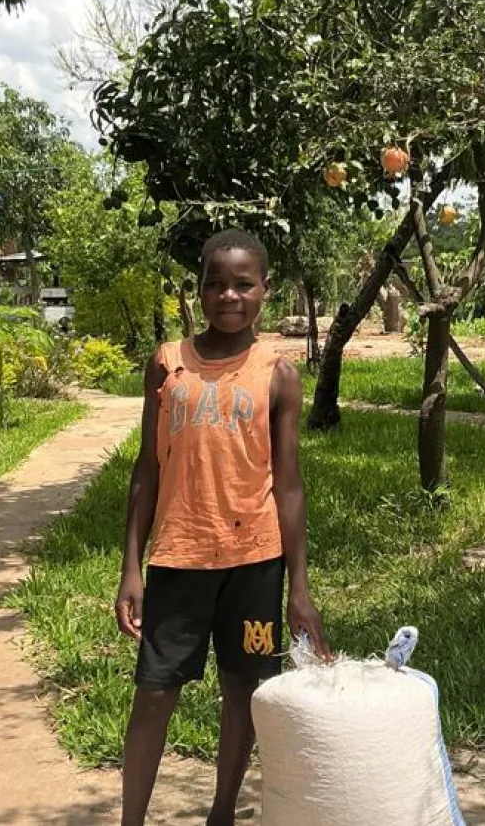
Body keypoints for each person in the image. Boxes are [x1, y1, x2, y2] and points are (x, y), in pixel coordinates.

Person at [115, 229, 331, 826]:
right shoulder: (167, 365)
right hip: (179, 560)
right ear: (200, 290)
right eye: (216, 284)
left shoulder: (278, 374)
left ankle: (221, 815)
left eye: (243, 284)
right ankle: (131, 818)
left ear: (265, 290)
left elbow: (287, 484)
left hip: (256, 566)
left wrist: (300, 589)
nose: (229, 295)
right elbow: (146, 468)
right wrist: (132, 567)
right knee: (155, 692)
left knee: (245, 689)